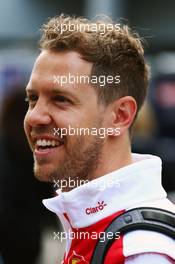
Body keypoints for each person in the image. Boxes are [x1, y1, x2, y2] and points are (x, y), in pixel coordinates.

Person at [24, 14, 175, 264]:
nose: (35, 117)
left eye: (61, 99)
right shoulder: (96, 223)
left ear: (119, 116)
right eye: (32, 99)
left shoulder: (142, 252)